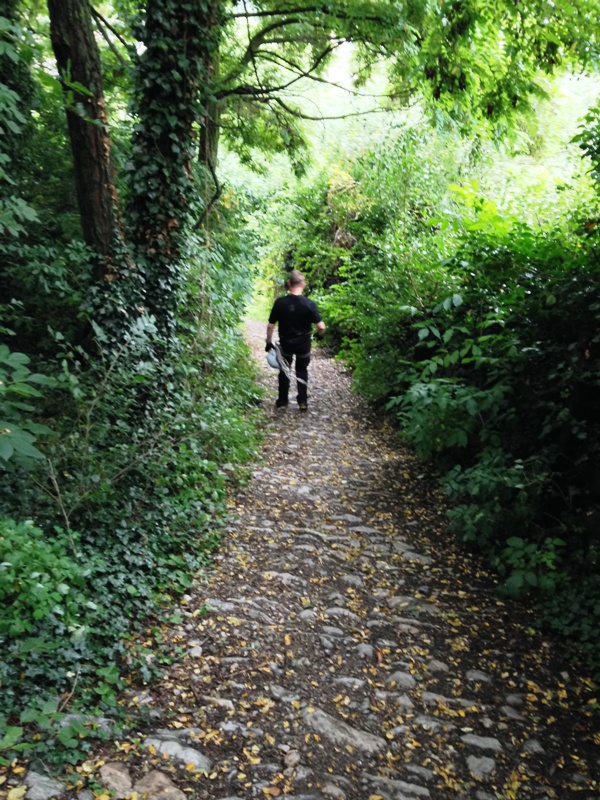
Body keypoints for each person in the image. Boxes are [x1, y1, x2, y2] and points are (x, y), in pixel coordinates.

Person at [266, 270, 326, 411]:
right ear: (303, 285)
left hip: (286, 343)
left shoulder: (280, 303)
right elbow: (321, 327)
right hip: (303, 344)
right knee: (301, 370)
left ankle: (282, 401)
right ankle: (302, 401)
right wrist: (319, 335)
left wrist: (268, 341)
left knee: (284, 371)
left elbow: (270, 325)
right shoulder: (309, 304)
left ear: (288, 284)